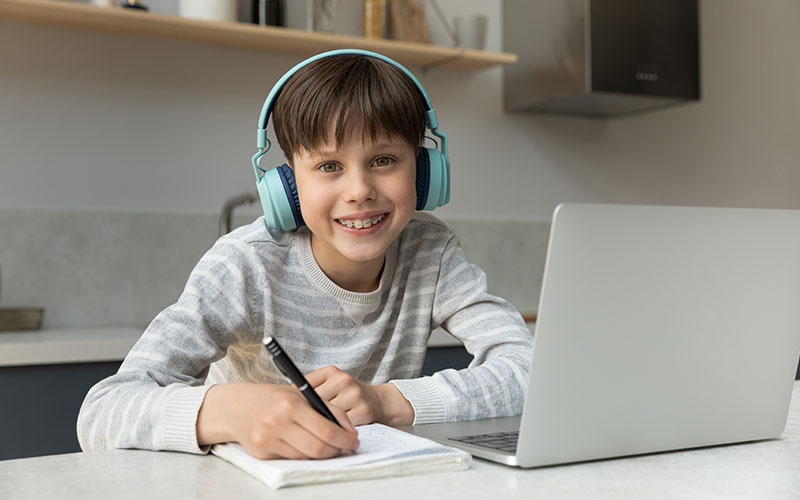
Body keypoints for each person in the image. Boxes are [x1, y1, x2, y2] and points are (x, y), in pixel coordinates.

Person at [77, 50, 533, 461]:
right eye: (329, 167)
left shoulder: (429, 252)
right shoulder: (244, 266)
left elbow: (529, 372)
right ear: (288, 187)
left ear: (424, 170)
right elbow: (101, 410)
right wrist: (228, 410)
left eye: (384, 160)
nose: (359, 191)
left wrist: (388, 400)